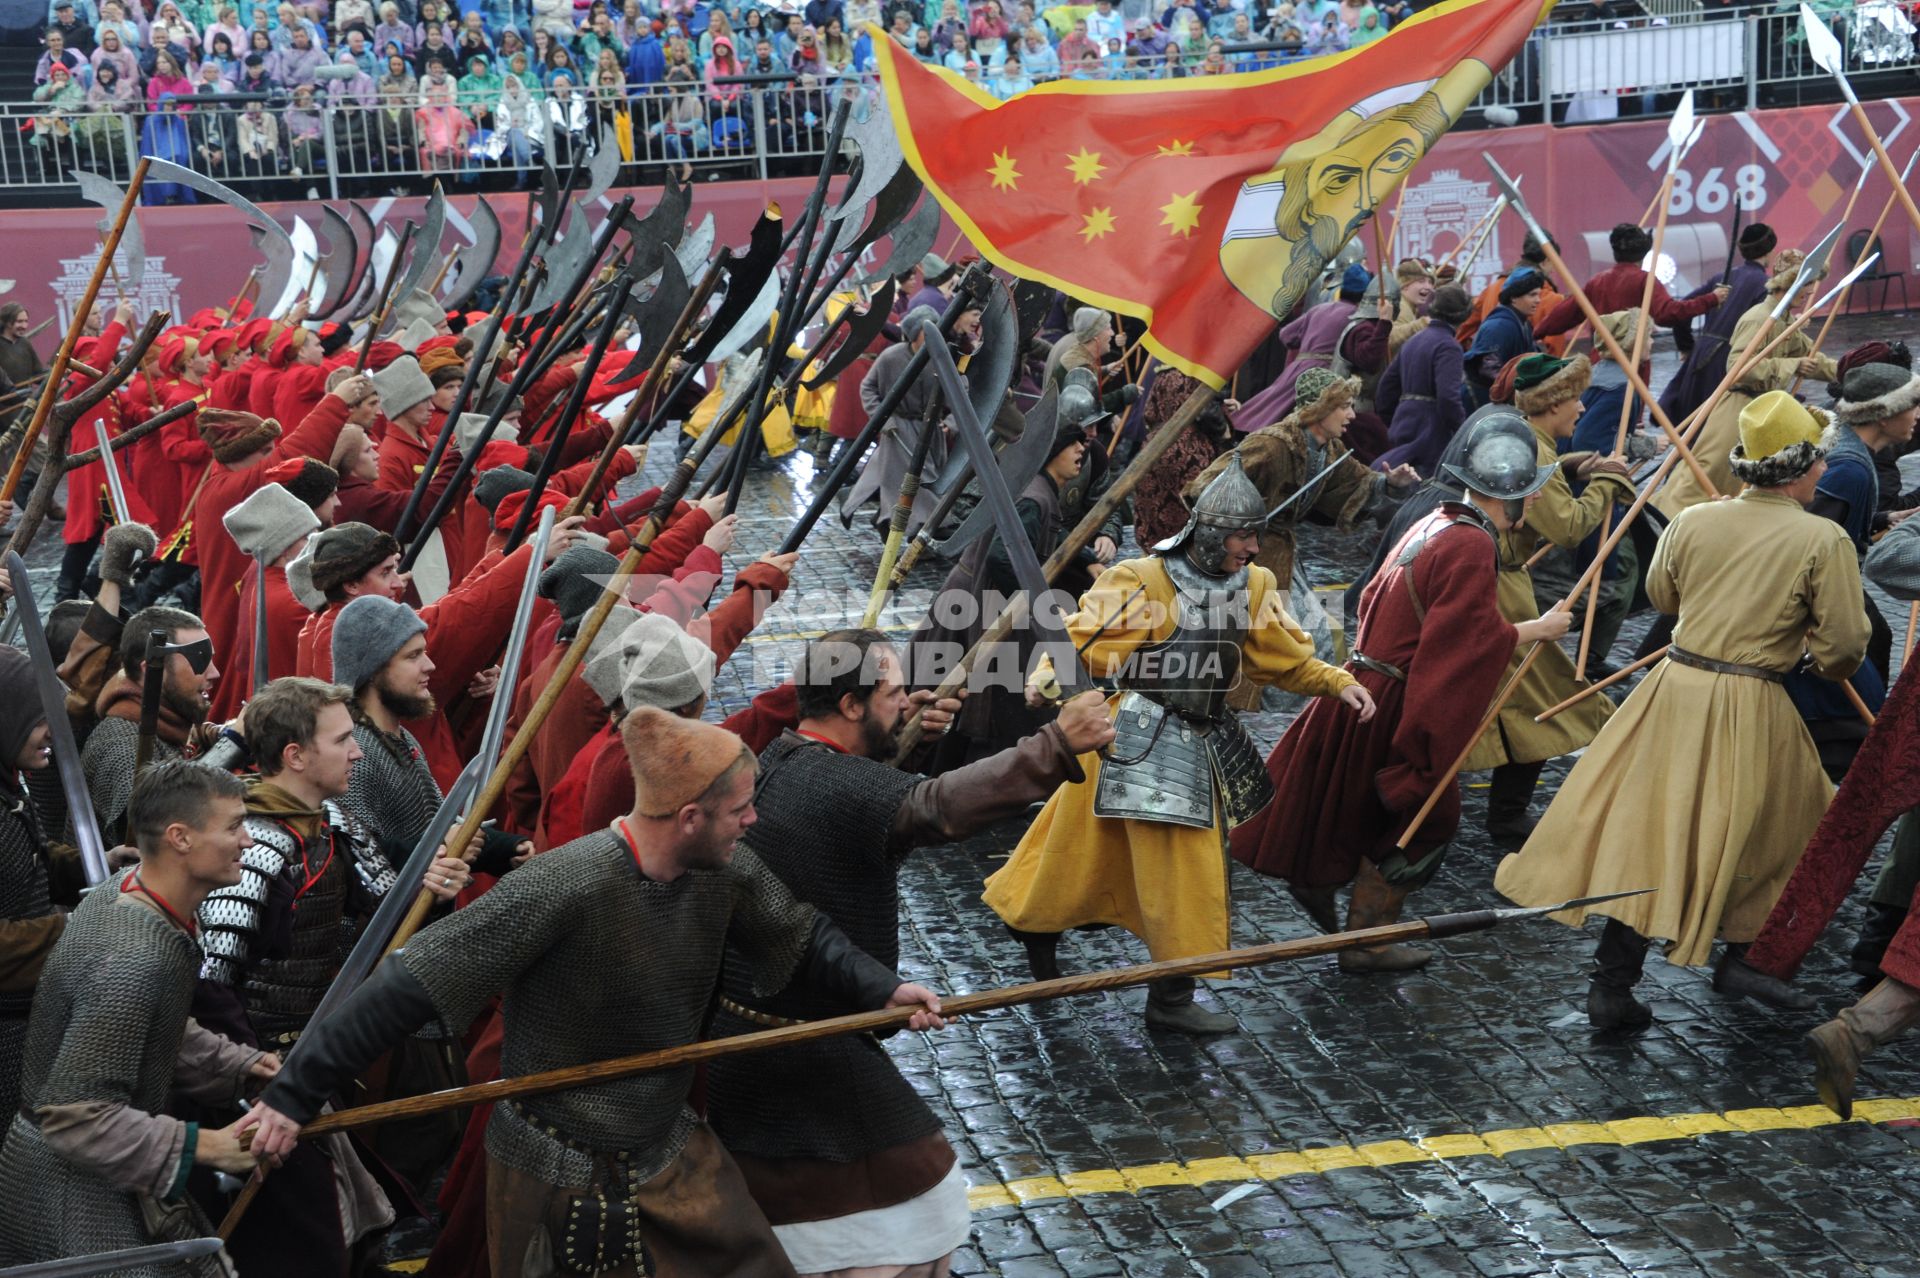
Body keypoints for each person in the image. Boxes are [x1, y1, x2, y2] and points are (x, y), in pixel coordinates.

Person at [246, 706, 950, 1278]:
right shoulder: (561, 885)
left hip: (669, 1147)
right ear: (689, 818)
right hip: (556, 1166)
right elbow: (405, 987)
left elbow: (799, 932)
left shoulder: (728, 872)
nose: (754, 820)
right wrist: (292, 1096)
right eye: (740, 809)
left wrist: (882, 990)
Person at [706, 629, 1111, 1276]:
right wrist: (1055, 744)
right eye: (892, 694)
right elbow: (932, 808)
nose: (905, 702)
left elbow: (860, 800)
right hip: (798, 1050)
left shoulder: (780, 759)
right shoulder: (827, 785)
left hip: (797, 1033)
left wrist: (913, 733)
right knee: (910, 1217)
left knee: (883, 1229)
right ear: (850, 704)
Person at [1495, 391, 1870, 1030]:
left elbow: (1659, 593)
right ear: (1798, 465)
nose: (1822, 474)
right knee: (1792, 826)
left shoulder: (1697, 519)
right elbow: (1844, 646)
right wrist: (1808, 655)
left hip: (1672, 691)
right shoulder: (1823, 539)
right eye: (1817, 463)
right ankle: (1745, 956)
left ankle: (1614, 983)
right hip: (1749, 702)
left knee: (1651, 831)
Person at [983, 455, 1377, 1033]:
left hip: (1201, 733)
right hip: (1133, 733)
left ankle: (1034, 925)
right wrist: (1047, 682)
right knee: (1175, 869)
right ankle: (1167, 999)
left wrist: (1337, 682)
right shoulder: (1143, 578)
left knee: (1081, 855)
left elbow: (1282, 658)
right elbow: (1083, 640)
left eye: (1255, 535)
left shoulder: (1256, 582)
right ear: (1212, 532)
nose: (1251, 547)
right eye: (1242, 536)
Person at [1233, 413, 1570, 968]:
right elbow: (1456, 649)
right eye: (1528, 496)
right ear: (1508, 499)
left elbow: (1378, 603)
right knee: (1425, 820)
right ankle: (1368, 942)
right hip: (1393, 698)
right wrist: (1426, 746)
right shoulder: (1471, 546)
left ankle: (1330, 890)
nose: (1533, 505)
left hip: (1369, 680)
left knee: (1360, 807)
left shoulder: (1436, 520)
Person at [0, 762, 272, 1273]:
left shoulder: (127, 890)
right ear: (180, 838)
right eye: (234, 825)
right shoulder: (132, 956)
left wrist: (243, 1067)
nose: (249, 841)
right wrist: (204, 1145)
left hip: (86, 1172)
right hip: (72, 1191)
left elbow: (148, 1025)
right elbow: (74, 1113)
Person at [1455, 355, 1634, 841]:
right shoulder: (1531, 447)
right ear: (1553, 402)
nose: (1581, 408)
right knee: (1536, 700)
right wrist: (1606, 485)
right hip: (1497, 587)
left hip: (1496, 576)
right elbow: (1566, 526)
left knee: (1516, 699)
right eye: (1575, 398)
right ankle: (1498, 816)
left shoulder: (1520, 433)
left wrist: (1575, 466)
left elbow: (1546, 477)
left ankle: (1499, 811)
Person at [1184, 367, 1418, 709]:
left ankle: (1294, 705)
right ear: (1320, 408)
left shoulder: (1330, 449)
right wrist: (1237, 524)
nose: (1352, 414)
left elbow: (1357, 483)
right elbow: (1208, 485)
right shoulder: (1272, 444)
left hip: (1281, 555)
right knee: (1271, 632)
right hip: (1245, 554)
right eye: (1345, 406)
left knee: (1311, 632)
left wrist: (1390, 483)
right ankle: (1260, 701)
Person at [909, 380, 1112, 768]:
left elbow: (1048, 539)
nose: (1082, 452)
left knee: (967, 694)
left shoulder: (1040, 491)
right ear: (1052, 450)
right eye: (1074, 445)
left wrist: (1085, 556)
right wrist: (1035, 602)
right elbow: (1004, 558)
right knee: (967, 696)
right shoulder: (1034, 497)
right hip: (979, 604)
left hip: (985, 601)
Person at [80, 605, 221, 843]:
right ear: (152, 671)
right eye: (200, 660)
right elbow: (157, 844)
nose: (214, 673)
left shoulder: (170, 725)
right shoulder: (125, 749)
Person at [1658, 222, 1778, 428]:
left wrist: (1687, 348)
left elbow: (1683, 311)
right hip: (1730, 361)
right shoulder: (1764, 285)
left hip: (1700, 357)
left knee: (1694, 425)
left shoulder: (1721, 278)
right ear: (1769, 251)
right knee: (1718, 426)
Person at [1373, 283, 1473, 475]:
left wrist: (1396, 420)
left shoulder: (1414, 340)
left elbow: (1385, 391)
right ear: (1463, 316)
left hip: (1403, 423)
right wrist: (1464, 432)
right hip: (1431, 432)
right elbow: (1448, 398)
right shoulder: (1448, 346)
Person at [1463, 266, 1545, 407]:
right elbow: (1488, 368)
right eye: (1532, 295)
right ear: (1513, 298)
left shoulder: (1524, 324)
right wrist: (1518, 388)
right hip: (1483, 404)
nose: (1538, 300)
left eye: (1538, 294)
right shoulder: (1498, 327)